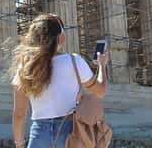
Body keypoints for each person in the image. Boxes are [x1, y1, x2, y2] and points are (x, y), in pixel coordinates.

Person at [10, 13, 109, 148]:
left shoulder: (25, 68)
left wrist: (19, 144)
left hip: (39, 135)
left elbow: (19, 114)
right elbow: (100, 91)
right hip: (70, 132)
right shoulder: (74, 61)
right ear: (61, 38)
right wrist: (102, 66)